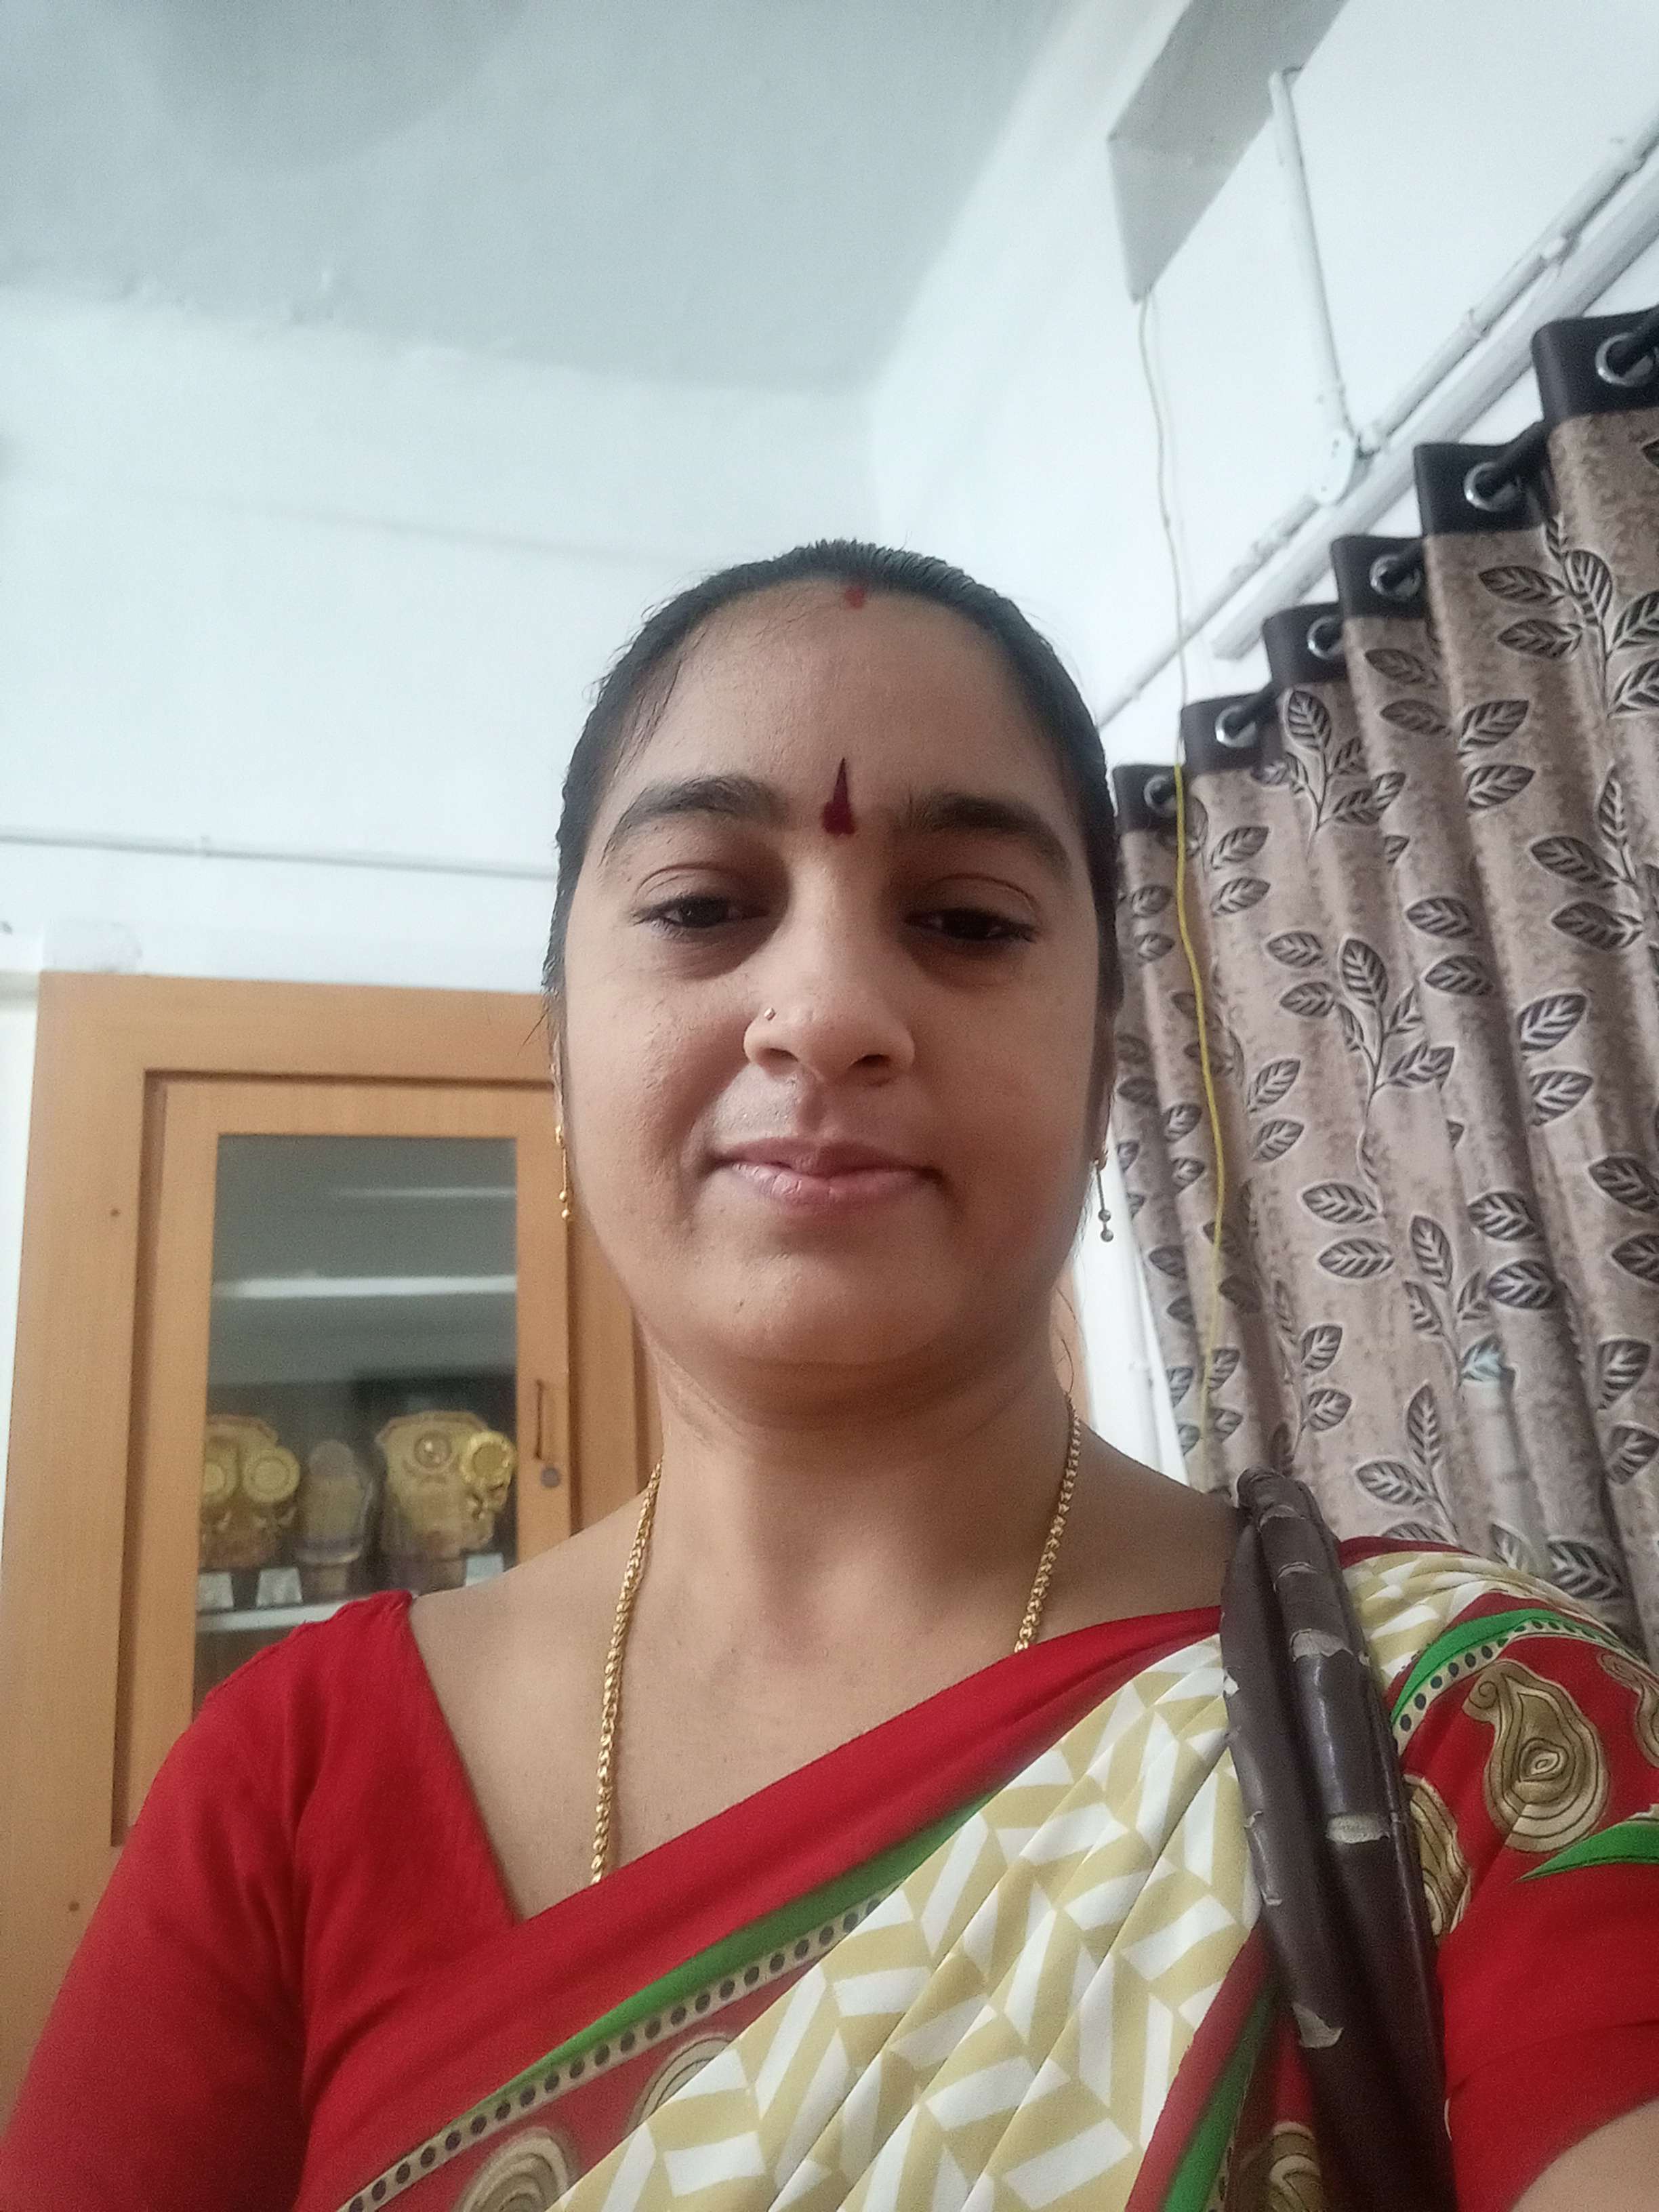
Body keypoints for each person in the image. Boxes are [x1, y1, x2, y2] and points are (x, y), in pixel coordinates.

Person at [4, 542, 1658, 2212]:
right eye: (701, 908)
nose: (827, 1009)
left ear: (1102, 1078)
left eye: (966, 920)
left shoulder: (1469, 1737)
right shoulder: (290, 1779)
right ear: (562, 1056)